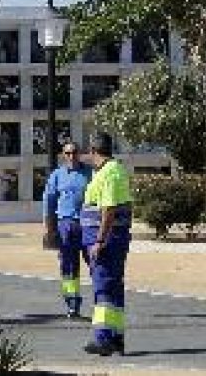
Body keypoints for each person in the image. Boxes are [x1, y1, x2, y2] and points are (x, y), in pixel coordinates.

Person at [79, 135, 133, 356]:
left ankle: (103, 338)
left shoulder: (110, 172)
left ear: (93, 150)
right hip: (110, 238)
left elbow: (108, 209)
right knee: (113, 287)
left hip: (106, 240)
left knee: (103, 287)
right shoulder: (109, 171)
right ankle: (116, 336)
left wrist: (100, 240)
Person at [43, 141, 92, 318]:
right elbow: (48, 203)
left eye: (74, 152)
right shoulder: (57, 175)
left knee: (95, 263)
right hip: (65, 224)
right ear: (63, 155)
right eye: (68, 153)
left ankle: (101, 300)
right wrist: (50, 229)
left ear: (80, 153)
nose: (71, 156)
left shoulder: (90, 173)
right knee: (68, 267)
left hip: (88, 224)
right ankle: (72, 303)